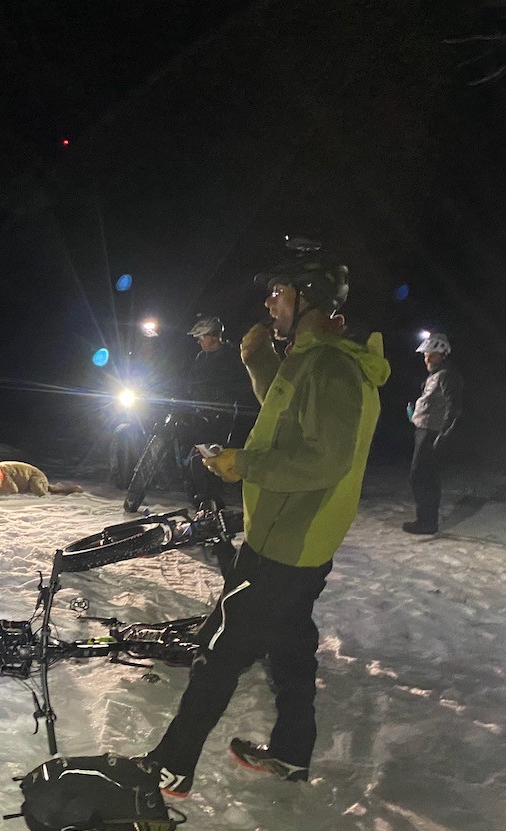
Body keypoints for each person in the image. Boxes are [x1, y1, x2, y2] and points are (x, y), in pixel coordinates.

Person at [144, 240, 391, 792]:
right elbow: (289, 420)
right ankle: (292, 752)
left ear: (310, 298)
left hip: (285, 541)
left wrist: (242, 465)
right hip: (303, 539)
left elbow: (322, 458)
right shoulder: (317, 361)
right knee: (290, 644)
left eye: (278, 292)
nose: (270, 303)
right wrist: (259, 362)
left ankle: (172, 763)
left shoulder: (328, 367)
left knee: (219, 648)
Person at [183, 314, 259, 509]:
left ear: (215, 336)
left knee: (209, 458)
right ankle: (200, 499)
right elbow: (192, 382)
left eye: (203, 337)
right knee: (196, 457)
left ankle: (212, 502)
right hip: (201, 413)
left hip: (225, 416)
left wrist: (223, 396)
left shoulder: (233, 356)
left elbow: (244, 385)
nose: (200, 342)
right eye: (198, 339)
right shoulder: (201, 357)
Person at [404, 333, 463, 535]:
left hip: (432, 433)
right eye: (426, 354)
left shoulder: (447, 374)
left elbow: (453, 406)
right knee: (422, 476)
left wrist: (444, 434)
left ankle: (427, 522)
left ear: (443, 355)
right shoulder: (436, 375)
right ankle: (426, 520)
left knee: (422, 476)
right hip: (424, 430)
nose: (427, 358)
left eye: (432, 355)